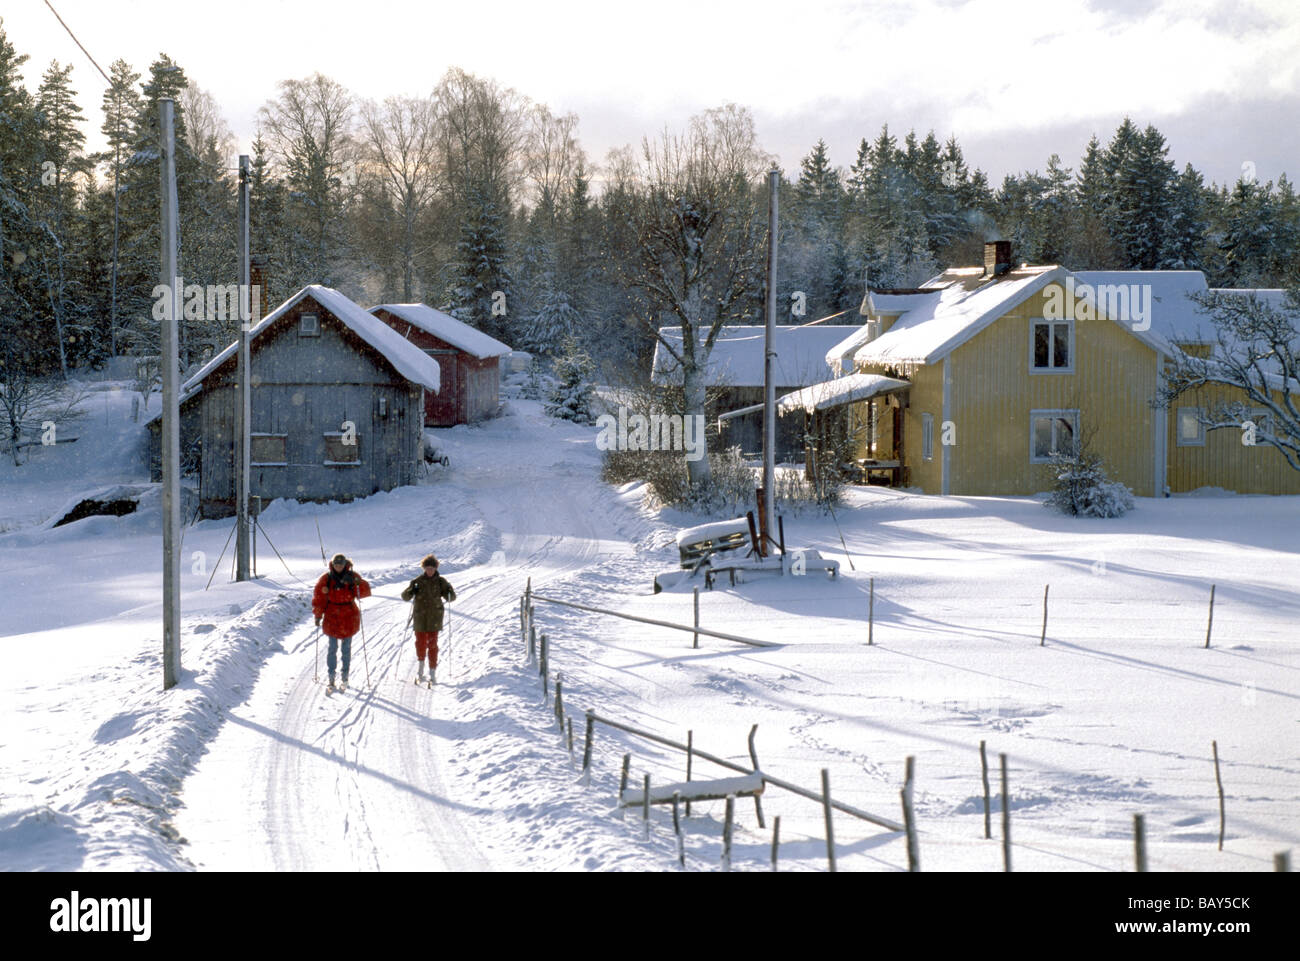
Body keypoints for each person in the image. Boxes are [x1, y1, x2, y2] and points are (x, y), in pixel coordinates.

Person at [312, 553, 371, 691]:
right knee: (332, 648)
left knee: (346, 649)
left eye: (341, 564)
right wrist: (318, 615)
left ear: (345, 565)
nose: (338, 567)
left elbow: (364, 592)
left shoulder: (353, 575)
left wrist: (356, 582)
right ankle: (331, 677)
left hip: (349, 615)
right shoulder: (326, 579)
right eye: (336, 564)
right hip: (332, 616)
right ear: (333, 564)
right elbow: (319, 598)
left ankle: (345, 677)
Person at [401, 554, 456, 683]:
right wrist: (411, 590)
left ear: (436, 568)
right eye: (427, 568)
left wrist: (449, 592)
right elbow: (405, 597)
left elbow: (452, 598)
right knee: (420, 643)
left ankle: (432, 672)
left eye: (432, 568)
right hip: (420, 617)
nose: (430, 571)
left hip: (434, 618)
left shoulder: (441, 581)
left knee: (432, 644)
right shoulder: (417, 581)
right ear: (424, 568)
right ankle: (420, 670)